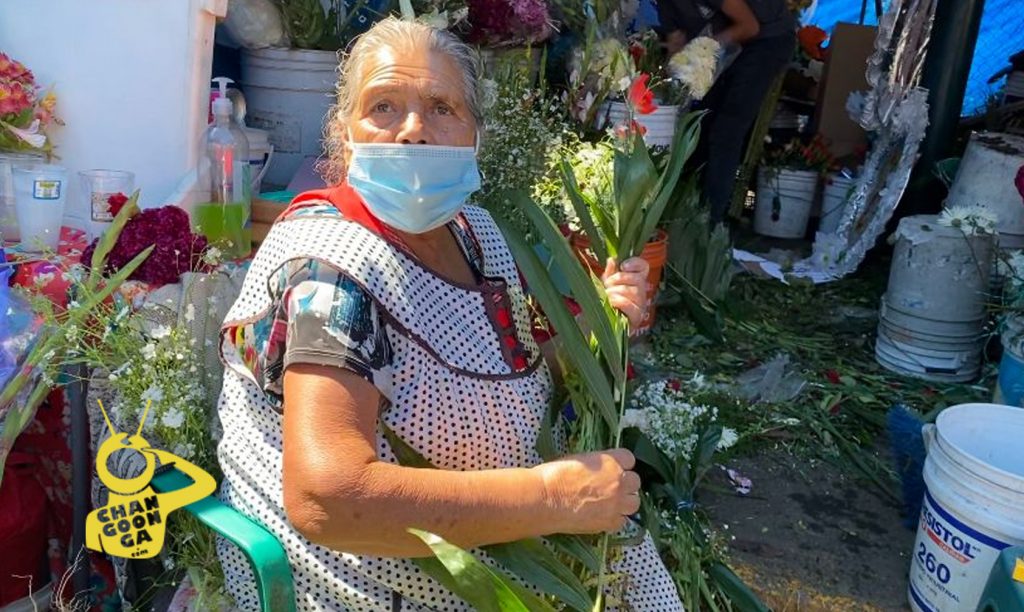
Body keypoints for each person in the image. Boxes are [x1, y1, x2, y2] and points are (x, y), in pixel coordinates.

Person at [216, 17, 684, 611]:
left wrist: (596, 321)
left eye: (441, 106)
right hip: (373, 581)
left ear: (474, 136)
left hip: (500, 546)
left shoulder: (476, 236)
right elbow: (329, 498)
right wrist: (549, 497)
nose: (413, 131)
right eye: (383, 106)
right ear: (343, 132)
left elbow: (520, 377)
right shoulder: (331, 270)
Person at [658, 0, 797, 225]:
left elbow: (749, 26)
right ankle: (684, 213)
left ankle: (710, 223)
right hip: (723, 40)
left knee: (727, 130)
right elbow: (676, 43)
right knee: (697, 123)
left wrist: (704, 50)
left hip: (766, 38)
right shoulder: (666, 6)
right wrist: (673, 85)